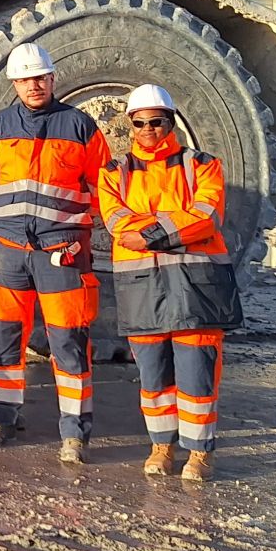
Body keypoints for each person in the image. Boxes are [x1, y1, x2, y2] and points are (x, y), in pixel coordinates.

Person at [0, 42, 111, 463]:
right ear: (15, 83)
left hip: (61, 250)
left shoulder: (81, 126)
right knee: (3, 339)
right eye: (26, 79)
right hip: (6, 249)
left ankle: (74, 432)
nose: (34, 85)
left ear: (52, 79)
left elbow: (102, 186)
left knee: (68, 340)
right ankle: (2, 420)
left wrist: (72, 230)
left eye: (41, 77)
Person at [98, 84, 240, 483]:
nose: (147, 128)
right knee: (153, 374)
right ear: (130, 124)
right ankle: (161, 446)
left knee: (197, 371)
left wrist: (150, 234)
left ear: (170, 122)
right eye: (139, 122)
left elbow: (206, 215)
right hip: (142, 286)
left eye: (156, 121)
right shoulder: (114, 172)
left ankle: (199, 453)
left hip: (197, 283)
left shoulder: (202, 165)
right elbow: (115, 221)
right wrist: (172, 225)